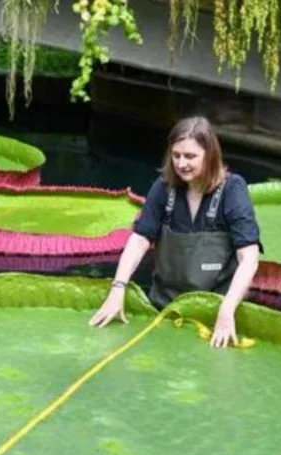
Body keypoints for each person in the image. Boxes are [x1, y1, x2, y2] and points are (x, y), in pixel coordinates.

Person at [89, 116, 262, 347]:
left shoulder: (233, 189)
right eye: (176, 155)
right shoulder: (163, 187)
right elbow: (139, 240)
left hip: (216, 307)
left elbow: (248, 257)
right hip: (165, 306)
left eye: (190, 156)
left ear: (209, 155)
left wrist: (227, 308)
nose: (182, 164)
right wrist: (118, 288)